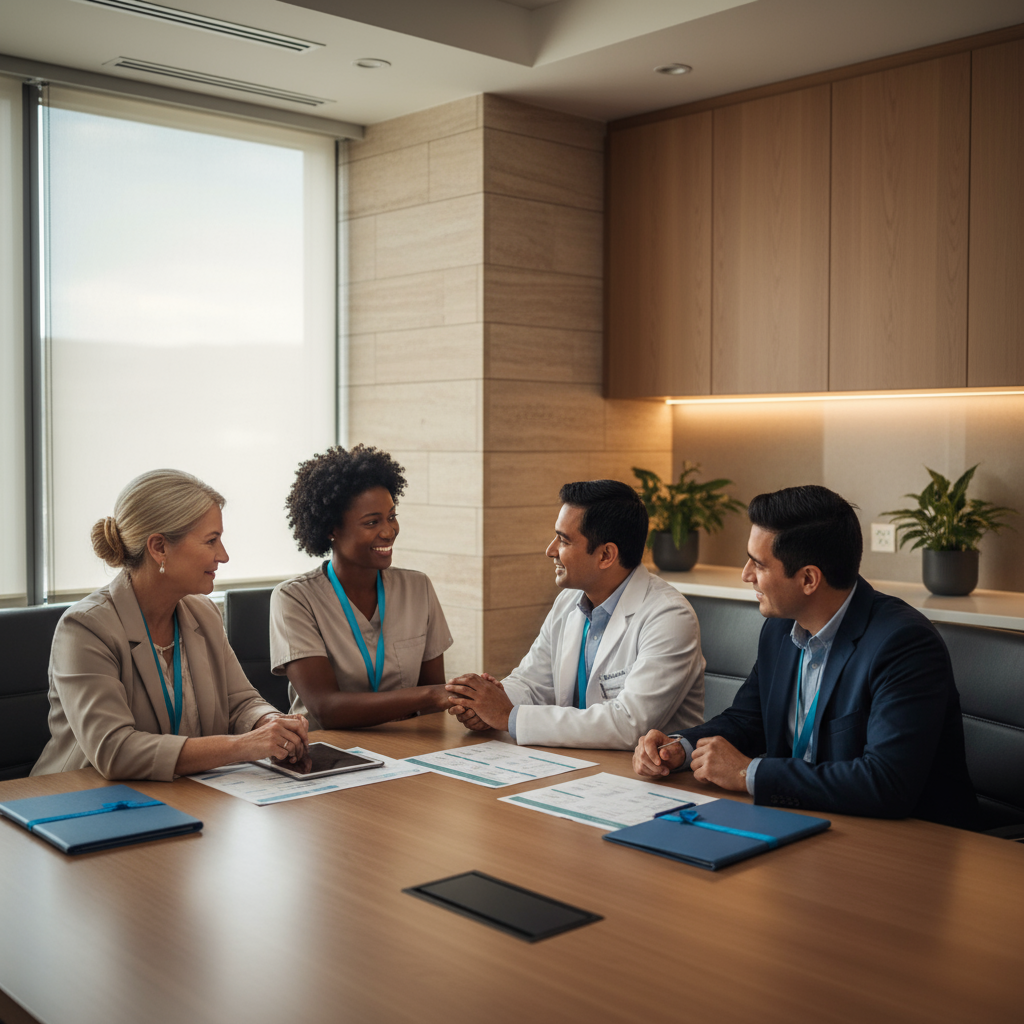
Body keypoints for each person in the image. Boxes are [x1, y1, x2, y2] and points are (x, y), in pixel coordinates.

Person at [632, 485, 978, 828]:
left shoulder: (904, 644)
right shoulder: (781, 628)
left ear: (809, 579)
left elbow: (886, 783)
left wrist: (747, 772)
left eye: (759, 564)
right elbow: (747, 720)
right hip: (804, 822)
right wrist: (680, 747)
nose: (746, 575)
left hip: (908, 845)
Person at [33, 469, 309, 781]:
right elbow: (115, 750)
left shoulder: (202, 614)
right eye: (211, 540)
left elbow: (240, 703)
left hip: (185, 794)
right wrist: (245, 745)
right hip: (84, 802)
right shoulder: (85, 628)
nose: (224, 555)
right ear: (159, 547)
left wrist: (271, 723)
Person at [445, 479, 704, 748]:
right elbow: (532, 683)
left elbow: (630, 724)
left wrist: (508, 715)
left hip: (645, 777)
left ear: (606, 555)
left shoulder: (670, 617)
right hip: (574, 766)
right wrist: (488, 700)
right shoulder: (569, 601)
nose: (551, 550)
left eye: (564, 540)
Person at [269, 445, 454, 729]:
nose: (388, 531)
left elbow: (434, 707)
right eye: (372, 522)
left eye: (392, 516)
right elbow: (326, 708)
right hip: (331, 752)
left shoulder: (418, 588)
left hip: (408, 746)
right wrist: (431, 695)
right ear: (331, 529)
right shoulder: (294, 599)